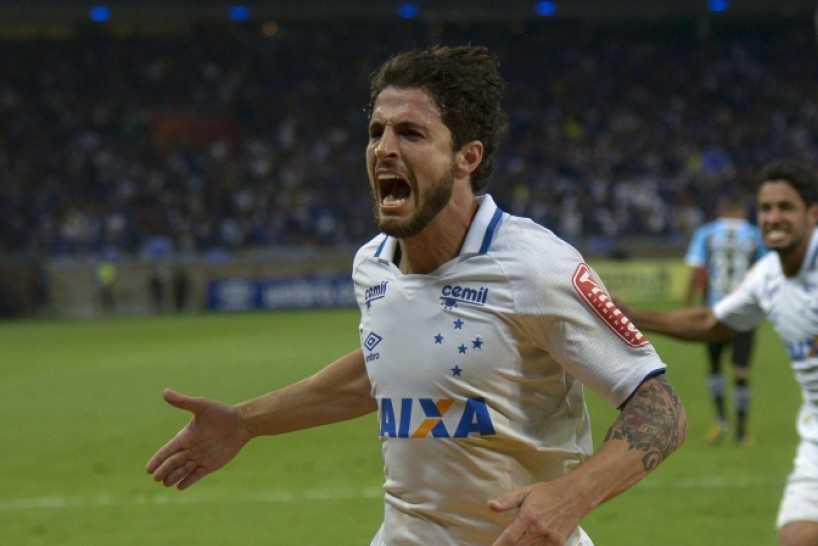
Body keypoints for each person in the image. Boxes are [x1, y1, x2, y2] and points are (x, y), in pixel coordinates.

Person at [146, 45, 687, 546]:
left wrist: (572, 495)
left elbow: (661, 409)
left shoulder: (534, 266)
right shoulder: (373, 265)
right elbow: (387, 365)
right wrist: (245, 421)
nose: (384, 149)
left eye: (410, 133)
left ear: (466, 157)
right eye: (376, 131)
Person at [618, 159, 818, 546]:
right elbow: (712, 322)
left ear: (813, 214)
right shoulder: (766, 276)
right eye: (766, 208)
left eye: (785, 207)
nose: (773, 218)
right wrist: (634, 317)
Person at [682, 193, 765, 445]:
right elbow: (765, 271)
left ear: (722, 211)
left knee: (715, 367)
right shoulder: (754, 234)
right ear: (742, 212)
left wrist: (687, 306)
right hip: (744, 311)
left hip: (714, 311)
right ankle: (742, 432)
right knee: (741, 370)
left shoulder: (707, 233)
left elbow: (697, 271)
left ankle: (721, 421)